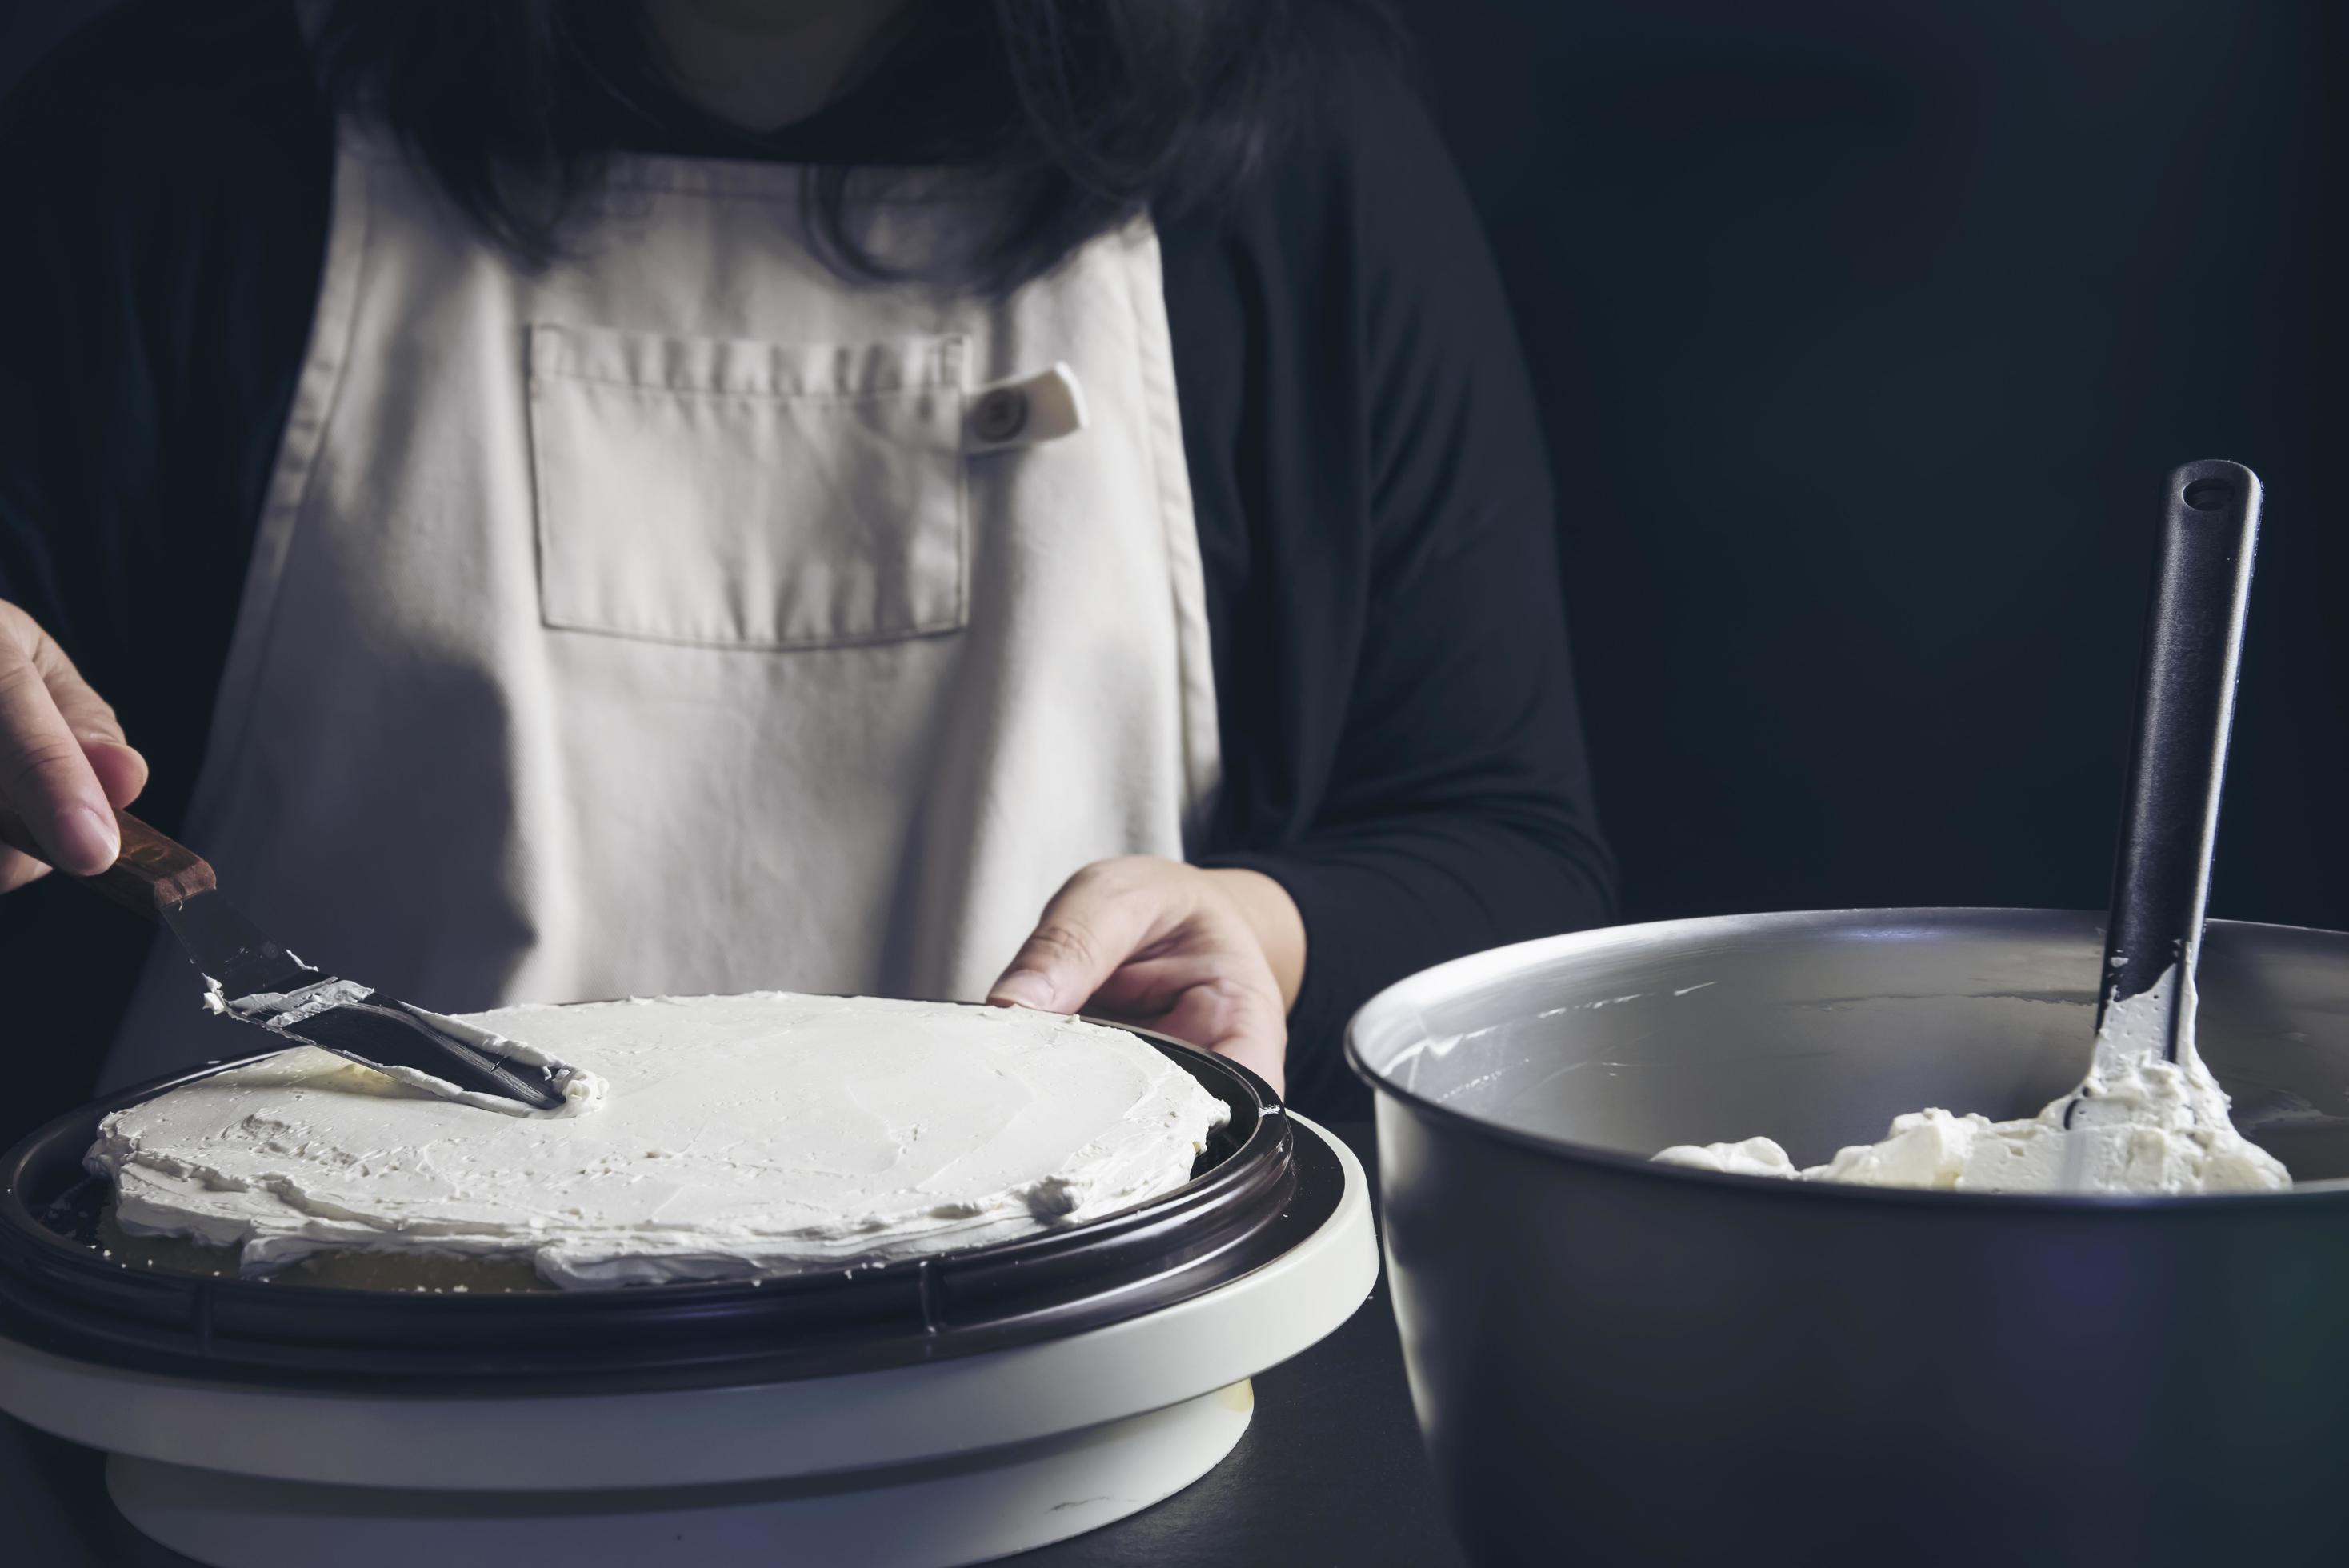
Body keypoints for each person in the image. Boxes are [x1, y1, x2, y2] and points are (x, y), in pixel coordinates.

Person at [0, 0, 1613, 1121]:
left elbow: (1502, 845)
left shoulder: (1286, 149)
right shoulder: (177, 131)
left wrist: (1264, 929)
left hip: (1060, 1390)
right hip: (289, 1401)